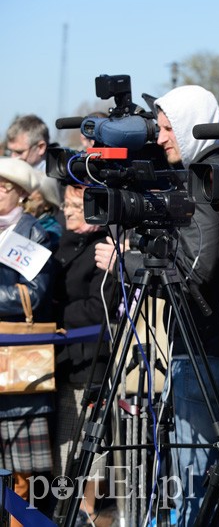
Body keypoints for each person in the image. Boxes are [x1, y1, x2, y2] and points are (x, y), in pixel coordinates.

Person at [94, 85, 219, 526]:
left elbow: (196, 269)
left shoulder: (208, 175)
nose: (159, 138)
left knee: (196, 474)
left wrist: (129, 261)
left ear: (194, 125)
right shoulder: (204, 171)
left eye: (169, 128)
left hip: (204, 348)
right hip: (202, 345)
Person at [51, 183, 115, 525]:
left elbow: (98, 308)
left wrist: (52, 313)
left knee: (85, 453)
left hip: (88, 362)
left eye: (78, 208)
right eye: (67, 207)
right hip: (57, 361)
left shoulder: (105, 248)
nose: (69, 214)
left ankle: (92, 515)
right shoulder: (61, 242)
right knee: (60, 452)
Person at [0, 157, 55, 527]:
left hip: (18, 365)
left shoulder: (34, 231)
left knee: (23, 477)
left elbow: (34, 294)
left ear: (19, 194)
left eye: (2, 188)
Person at [5, 115, 63, 247]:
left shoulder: (65, 179)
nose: (14, 158)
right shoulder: (7, 176)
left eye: (19, 152)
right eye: (11, 152)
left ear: (41, 147)